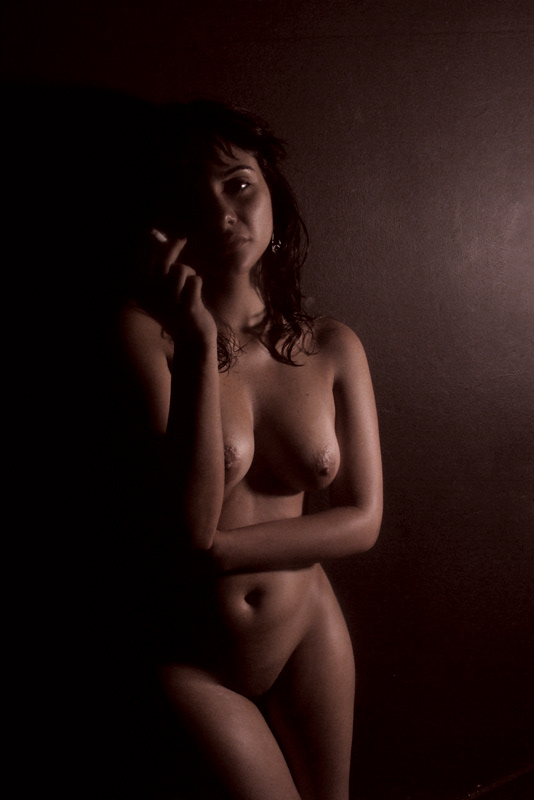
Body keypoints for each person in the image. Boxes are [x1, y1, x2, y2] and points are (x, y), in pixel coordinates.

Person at [118, 99, 383, 800]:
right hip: (194, 660)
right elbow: (189, 525)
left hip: (307, 628)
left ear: (273, 195)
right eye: (193, 198)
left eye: (238, 185)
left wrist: (221, 554)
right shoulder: (147, 338)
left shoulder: (332, 345)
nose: (222, 213)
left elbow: (364, 520)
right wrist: (198, 345)